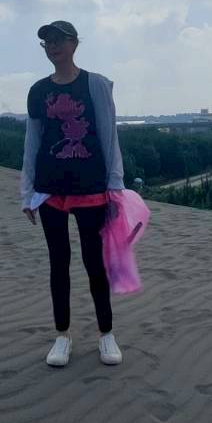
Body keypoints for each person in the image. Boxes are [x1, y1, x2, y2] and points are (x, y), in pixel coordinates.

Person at [20, 20, 125, 367]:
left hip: (91, 187)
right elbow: (33, 142)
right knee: (58, 263)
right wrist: (27, 192)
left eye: (59, 40)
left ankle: (106, 333)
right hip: (49, 189)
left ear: (74, 44)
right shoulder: (38, 91)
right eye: (47, 41)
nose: (53, 46)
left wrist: (116, 187)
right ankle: (62, 335)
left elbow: (109, 137)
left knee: (95, 262)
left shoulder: (95, 85)